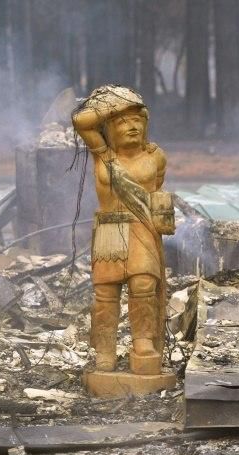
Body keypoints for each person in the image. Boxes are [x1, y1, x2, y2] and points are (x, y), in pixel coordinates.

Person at [72, 85, 169, 374]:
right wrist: (120, 102)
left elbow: (157, 189)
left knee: (143, 285)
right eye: (122, 122)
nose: (131, 126)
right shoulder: (103, 155)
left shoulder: (155, 156)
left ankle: (143, 342)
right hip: (110, 228)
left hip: (142, 226)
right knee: (105, 293)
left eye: (137, 120)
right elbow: (81, 121)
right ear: (109, 129)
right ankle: (105, 349)